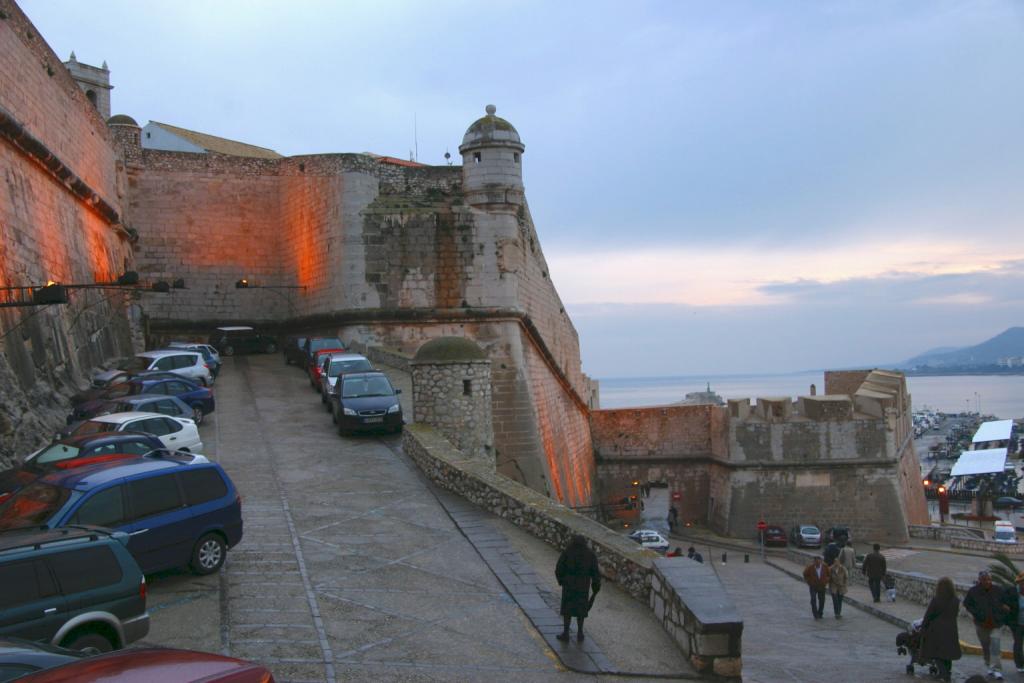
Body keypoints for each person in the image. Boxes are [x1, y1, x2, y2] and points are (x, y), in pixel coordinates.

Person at [555, 534, 601, 643]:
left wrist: (561, 581)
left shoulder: (568, 552)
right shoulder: (590, 555)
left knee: (567, 609)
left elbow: (559, 568)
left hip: (569, 585)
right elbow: (595, 573)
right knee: (581, 610)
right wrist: (595, 588)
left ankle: (566, 633)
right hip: (583, 586)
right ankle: (580, 633)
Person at [964, 570, 1007, 679]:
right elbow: (967, 604)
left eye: (989, 579)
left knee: (995, 644)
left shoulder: (998, 590)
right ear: (980, 580)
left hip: (997, 623)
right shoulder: (973, 591)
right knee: (986, 646)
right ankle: (989, 665)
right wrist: (976, 613)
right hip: (981, 624)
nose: (987, 581)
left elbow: (1006, 602)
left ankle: (997, 669)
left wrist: (1003, 611)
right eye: (984, 579)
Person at [920, 576, 962, 682]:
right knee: (948, 654)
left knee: (937, 654)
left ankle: (945, 675)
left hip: (936, 630)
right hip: (951, 629)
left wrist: (923, 628)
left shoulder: (936, 600)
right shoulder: (956, 601)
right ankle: (946, 673)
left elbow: (928, 615)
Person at [1007, 572, 1024, 674]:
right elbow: (1003, 600)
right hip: (1017, 624)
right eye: (1022, 582)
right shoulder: (1012, 592)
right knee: (1018, 644)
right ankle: (1020, 664)